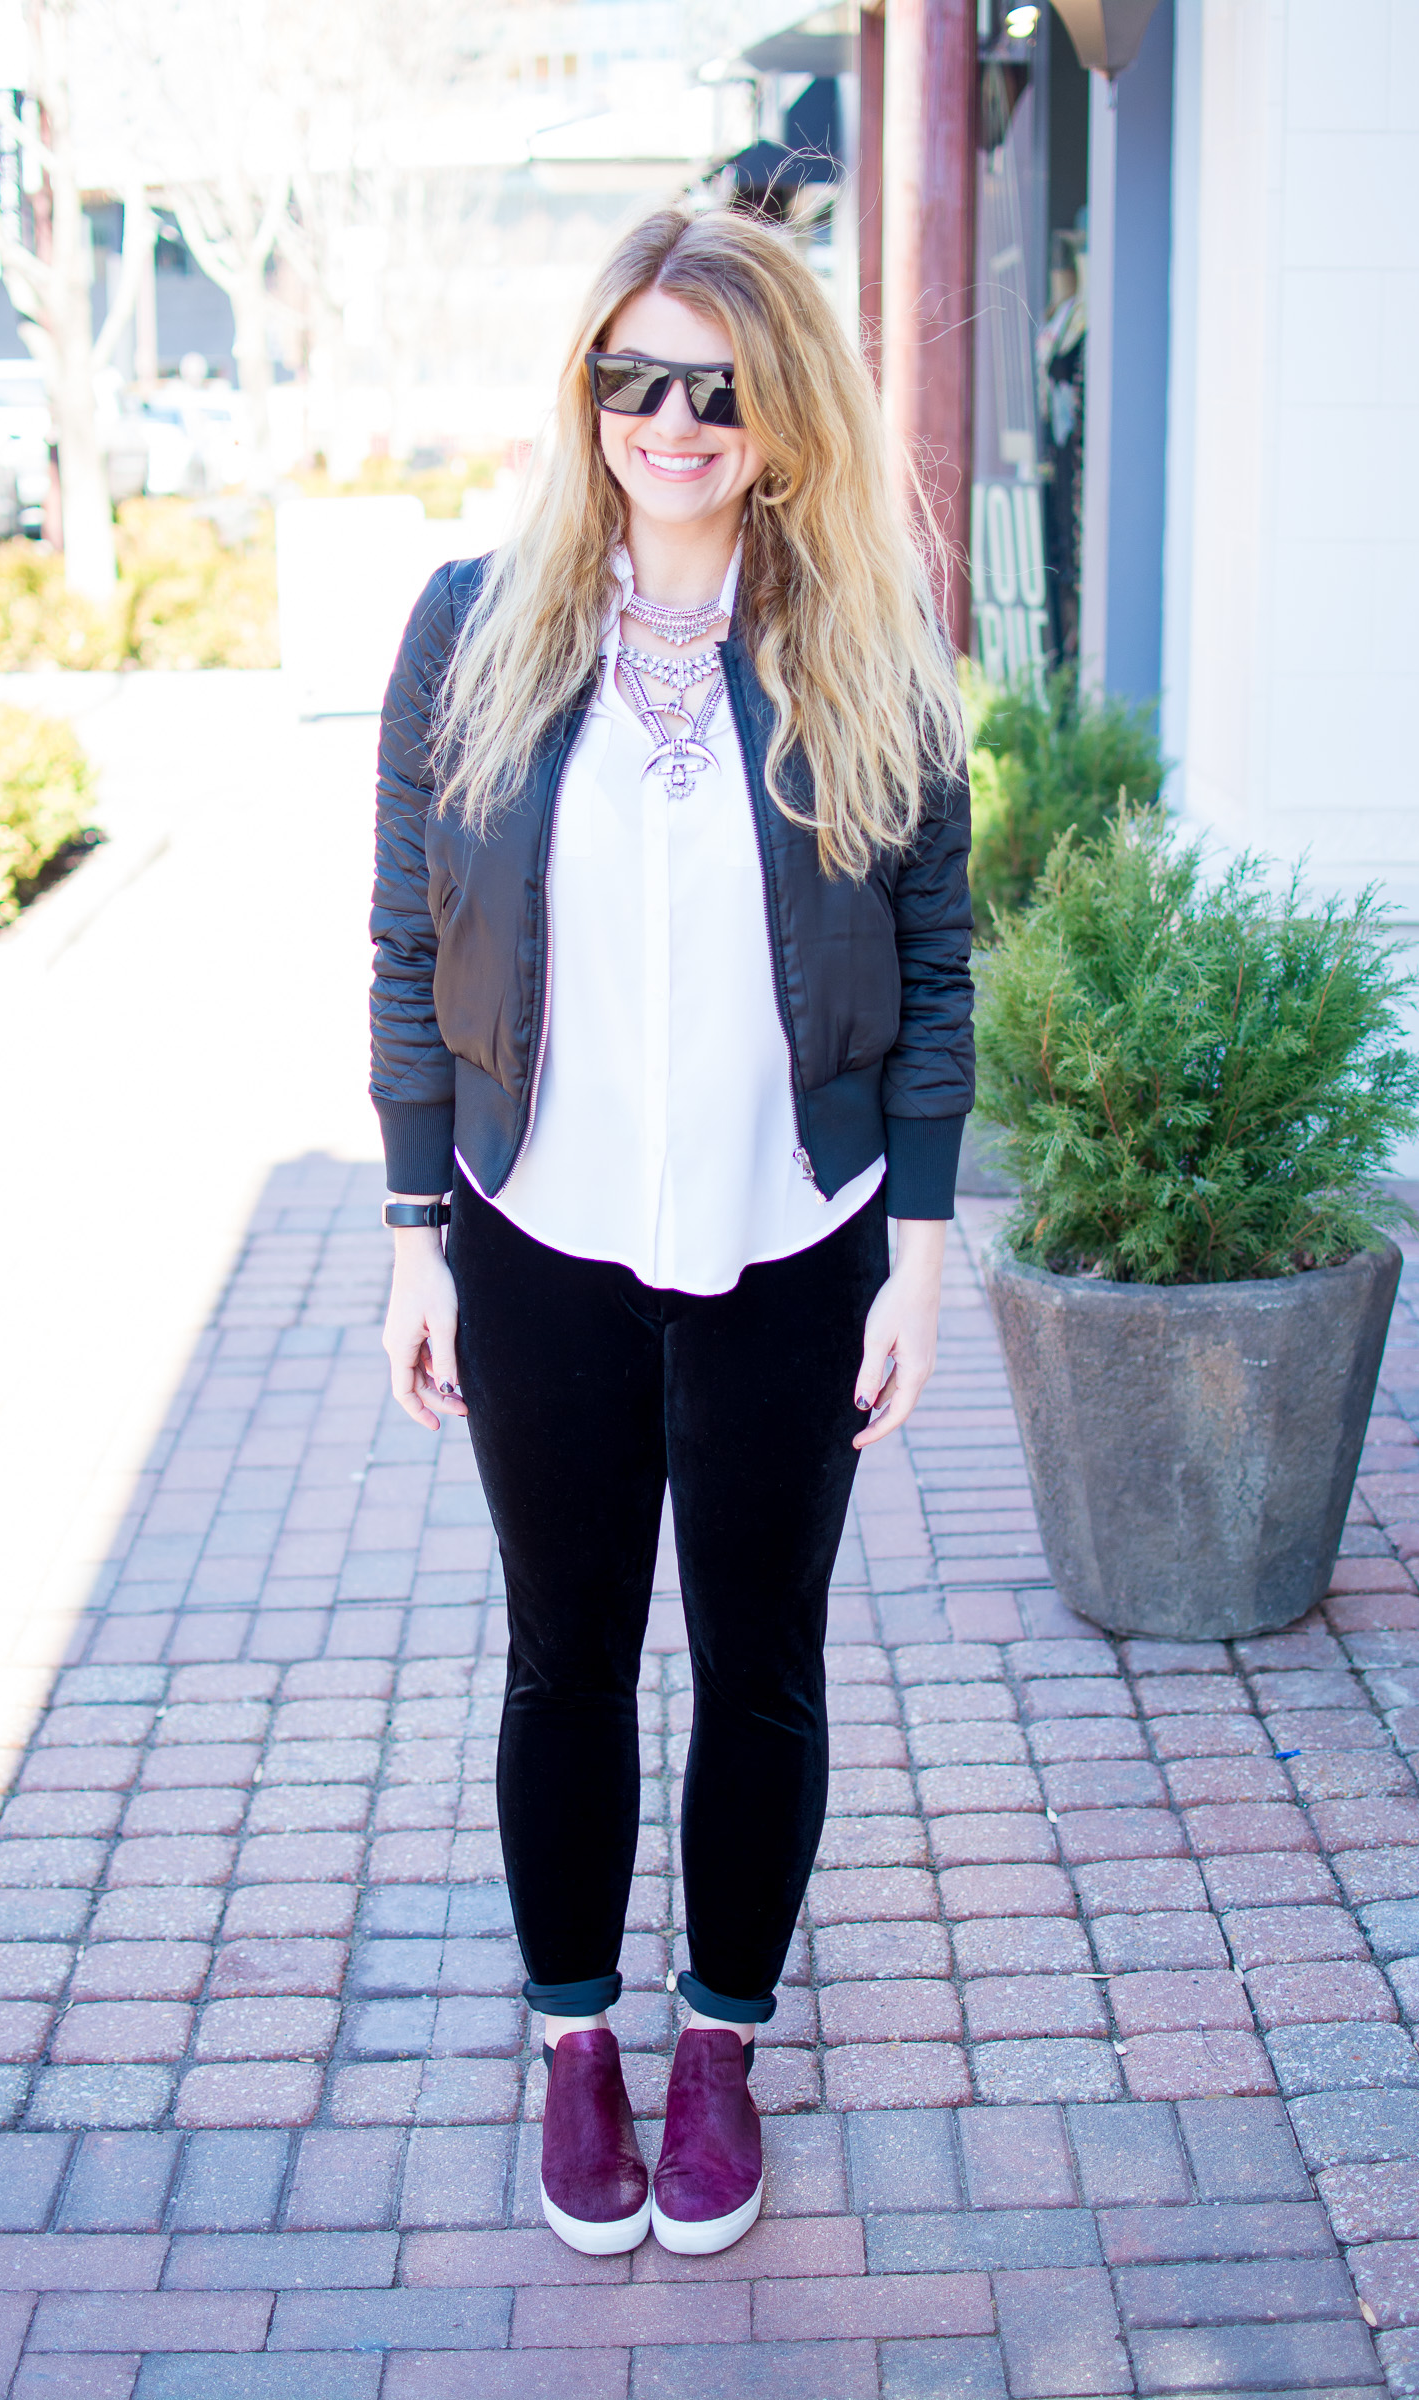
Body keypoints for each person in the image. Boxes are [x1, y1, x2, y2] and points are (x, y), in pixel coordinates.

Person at [370, 206, 973, 2259]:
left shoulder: (864, 643)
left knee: (760, 1668)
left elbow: (929, 965)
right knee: (563, 1663)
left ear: (780, 404)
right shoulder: (470, 624)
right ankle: (573, 2045)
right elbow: (404, 946)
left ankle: (717, 2037)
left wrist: (923, 1247)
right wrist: (406, 1234)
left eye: (715, 383)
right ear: (586, 393)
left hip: (790, 1240)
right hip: (530, 1236)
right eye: (634, 375)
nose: (672, 418)